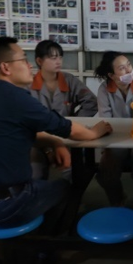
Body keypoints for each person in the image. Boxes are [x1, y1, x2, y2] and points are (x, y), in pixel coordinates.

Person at [0, 37, 113, 264]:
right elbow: (67, 128)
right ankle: (42, 256)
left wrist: (54, 143)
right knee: (65, 190)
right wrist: (94, 132)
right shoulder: (17, 98)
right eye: (23, 59)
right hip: (6, 205)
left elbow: (22, 132)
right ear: (6, 67)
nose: (29, 65)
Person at [94, 51, 133, 214]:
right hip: (117, 137)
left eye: (129, 64)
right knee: (107, 171)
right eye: (122, 68)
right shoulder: (104, 90)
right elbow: (106, 120)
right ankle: (117, 198)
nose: (129, 70)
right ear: (111, 75)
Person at [28, 40, 98, 180]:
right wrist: (48, 150)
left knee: (69, 172)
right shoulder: (28, 84)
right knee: (35, 171)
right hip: (39, 137)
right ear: (39, 61)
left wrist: (75, 121)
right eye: (53, 58)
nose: (58, 61)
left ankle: (71, 192)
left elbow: (91, 102)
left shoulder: (69, 80)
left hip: (66, 133)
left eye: (60, 57)